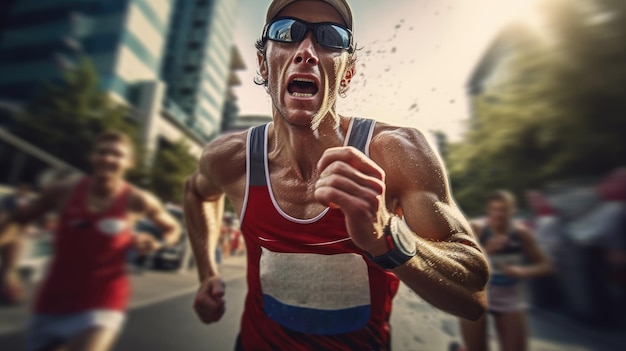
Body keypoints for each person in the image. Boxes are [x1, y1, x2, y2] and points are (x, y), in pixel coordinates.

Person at [184, 0, 489, 350]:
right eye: (286, 33)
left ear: (346, 73)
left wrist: (386, 236)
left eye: (331, 37)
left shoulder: (395, 152)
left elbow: (473, 293)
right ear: (263, 63)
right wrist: (207, 272)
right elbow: (197, 193)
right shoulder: (233, 158)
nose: (307, 51)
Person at [0, 131, 181, 351]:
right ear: (93, 156)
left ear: (130, 162)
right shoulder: (63, 190)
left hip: (104, 302)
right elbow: (16, 221)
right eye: (102, 152)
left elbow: (173, 228)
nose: (108, 159)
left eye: (116, 154)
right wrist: (8, 271)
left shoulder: (137, 199)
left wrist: (157, 243)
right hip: (52, 303)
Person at [459, 190, 552, 351]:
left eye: (503, 210)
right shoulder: (477, 229)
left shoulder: (521, 233)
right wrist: (487, 250)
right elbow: (460, 265)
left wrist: (523, 272)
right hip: (476, 299)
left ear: (512, 211)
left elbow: (546, 265)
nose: (499, 215)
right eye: (494, 210)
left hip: (509, 301)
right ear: (488, 211)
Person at [0, 182, 34, 304]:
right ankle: (9, 288)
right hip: (12, 227)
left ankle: (9, 289)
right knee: (9, 265)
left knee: (9, 265)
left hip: (13, 229)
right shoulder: (10, 200)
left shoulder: (24, 201)